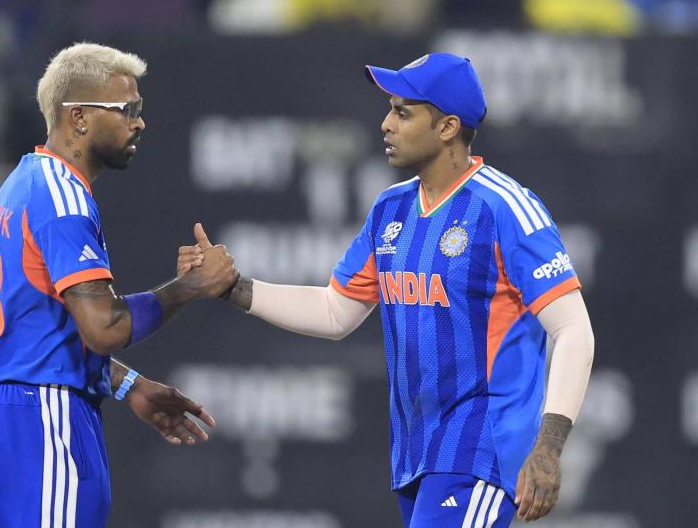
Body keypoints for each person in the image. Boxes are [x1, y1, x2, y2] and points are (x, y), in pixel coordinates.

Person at [180, 53, 594, 526]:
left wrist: (549, 446)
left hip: (481, 448)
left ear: (447, 127)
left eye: (402, 112)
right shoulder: (390, 209)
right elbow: (335, 311)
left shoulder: (506, 208)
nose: (385, 124)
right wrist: (234, 287)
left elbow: (573, 330)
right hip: (416, 453)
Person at [0, 42, 239, 528]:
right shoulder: (63, 198)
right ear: (78, 117)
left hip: (9, 413)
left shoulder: (27, 180)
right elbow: (103, 328)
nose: (140, 122)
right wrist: (191, 286)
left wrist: (129, 384)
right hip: (43, 416)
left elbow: (44, 331)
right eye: (127, 109)